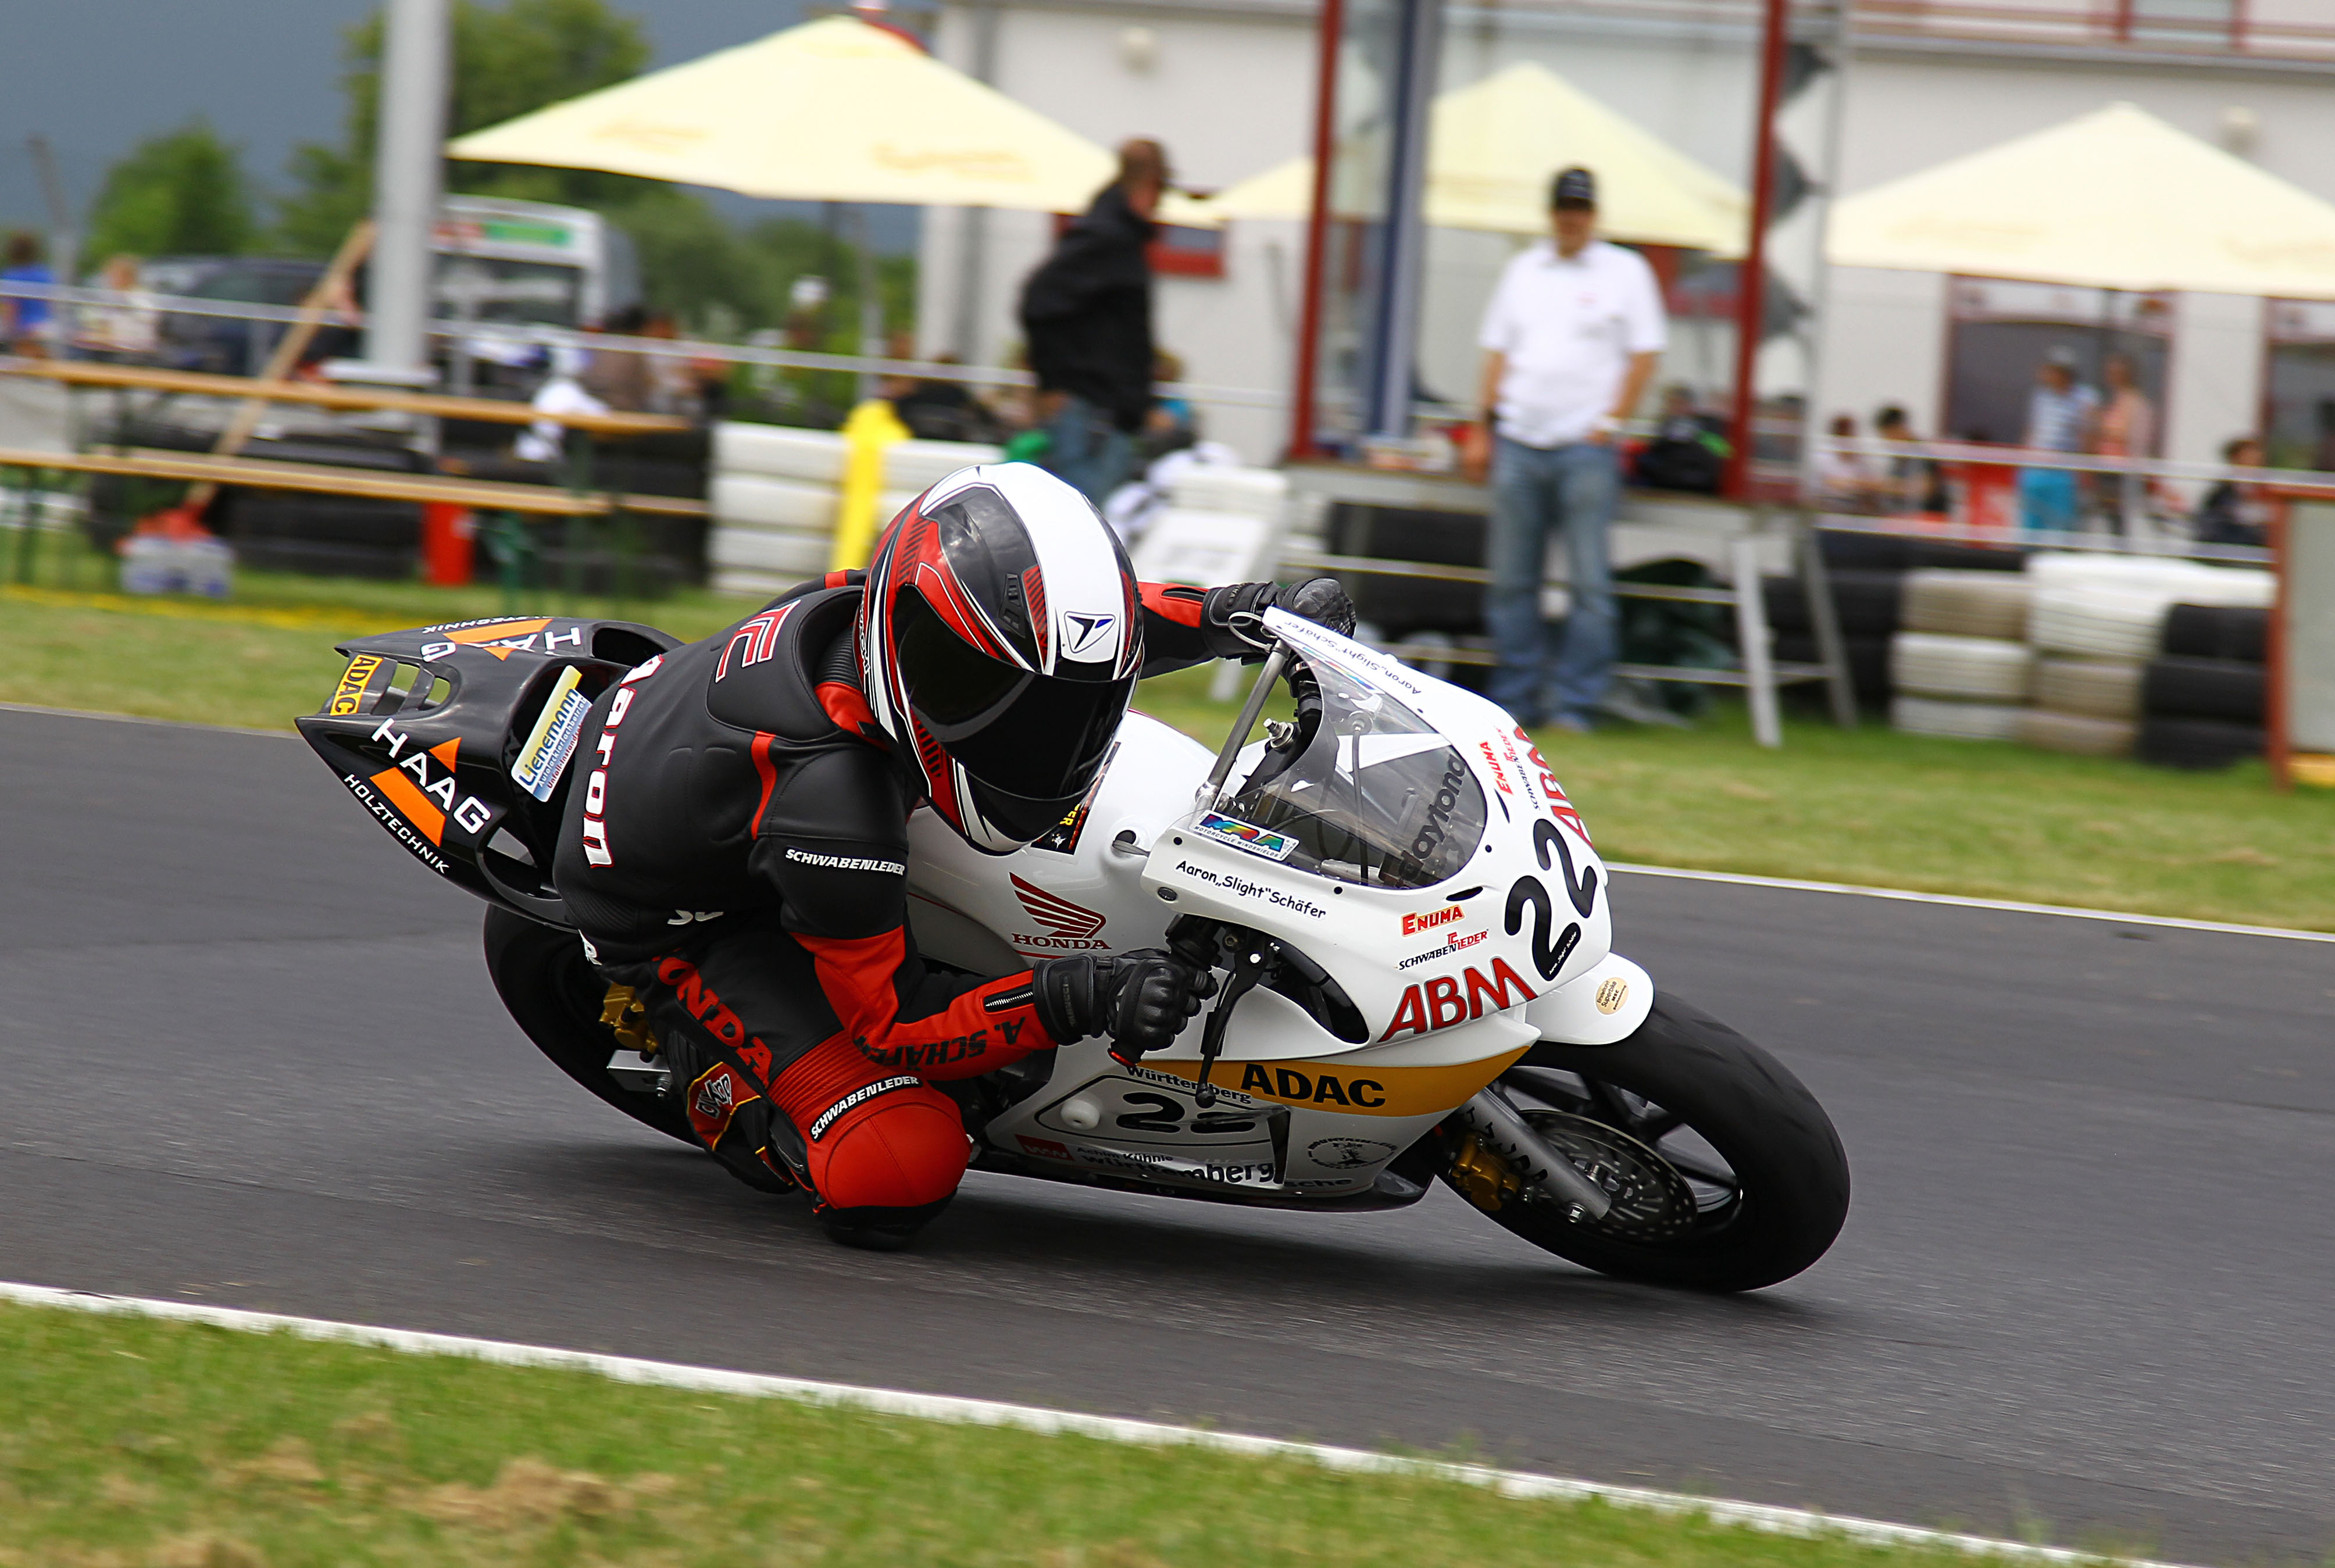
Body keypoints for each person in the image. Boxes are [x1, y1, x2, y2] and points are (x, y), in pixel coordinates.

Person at [550, 463, 1355, 1249]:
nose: (1037, 737)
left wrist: (1250, 613)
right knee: (897, 1167)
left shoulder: (898, 616)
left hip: (724, 791)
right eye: (989, 694)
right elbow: (894, 1026)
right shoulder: (835, 808)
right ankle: (719, 1079)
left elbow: (1101, 630)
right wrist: (1087, 992)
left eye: (1062, 709)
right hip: (689, 922)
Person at [1459, 166, 1665, 731]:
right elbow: (1497, 353)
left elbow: (1645, 354)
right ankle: (1515, 698)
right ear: (1551, 214)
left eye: (1580, 210)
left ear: (1593, 215)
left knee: (1589, 582)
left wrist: (1612, 421)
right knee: (1511, 581)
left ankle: (1575, 702)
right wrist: (1482, 429)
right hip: (1519, 440)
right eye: (1564, 209)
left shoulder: (1626, 271)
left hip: (1585, 448)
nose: (1571, 220)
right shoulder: (1523, 270)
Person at [1017, 138, 1170, 504]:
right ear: (1150, 183)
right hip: (1092, 413)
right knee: (1084, 517)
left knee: (1088, 516)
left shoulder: (1111, 233)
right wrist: (1055, 383)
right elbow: (1039, 299)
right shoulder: (1109, 236)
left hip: (1101, 410)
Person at [2017, 345, 2097, 534]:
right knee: (2030, 526)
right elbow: (2032, 431)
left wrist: (2086, 472)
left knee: (2061, 527)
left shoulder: (2084, 398)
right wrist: (2023, 462)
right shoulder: (2041, 397)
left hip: (2063, 471)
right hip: (2036, 469)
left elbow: (2089, 435)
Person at [2093, 352, 2155, 534]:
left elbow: (2131, 436)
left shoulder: (2135, 402)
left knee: (2120, 521)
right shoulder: (2117, 400)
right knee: (2111, 519)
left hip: (2121, 471)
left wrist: (2101, 425)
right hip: (2108, 468)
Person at [2194, 436, 2271, 548]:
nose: (2253, 461)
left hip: (2260, 540)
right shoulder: (2222, 490)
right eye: (2248, 456)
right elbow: (2213, 518)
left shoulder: (2268, 487)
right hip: (2232, 539)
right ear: (2235, 459)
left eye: (2255, 457)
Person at [1873, 405, 1949, 515]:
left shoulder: (1920, 453)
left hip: (1921, 516)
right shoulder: (1900, 456)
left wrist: (1885, 487)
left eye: (1886, 435)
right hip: (1898, 515)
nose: (1886, 440)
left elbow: (1925, 489)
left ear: (1897, 428)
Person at [2, 233, 56, 355]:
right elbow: (51, 305)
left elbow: (11, 310)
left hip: (22, 329)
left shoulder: (12, 275)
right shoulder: (45, 274)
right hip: (44, 327)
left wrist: (9, 332)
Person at [1816, 414, 1876, 511]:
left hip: (1856, 501)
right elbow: (1832, 483)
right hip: (1830, 501)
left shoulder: (1857, 452)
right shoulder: (1824, 453)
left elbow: (1869, 478)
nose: (1849, 434)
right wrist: (1860, 484)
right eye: (1844, 431)